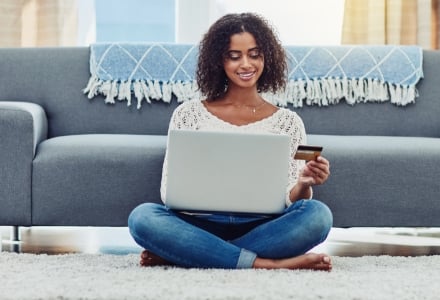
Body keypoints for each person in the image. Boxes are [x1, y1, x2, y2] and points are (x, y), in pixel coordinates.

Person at [128, 12, 333, 271]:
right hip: (198, 223)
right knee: (142, 217)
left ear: (266, 57)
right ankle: (264, 263)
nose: (246, 64)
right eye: (234, 56)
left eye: (254, 54)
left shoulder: (289, 122)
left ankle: (193, 253)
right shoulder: (187, 114)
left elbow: (292, 199)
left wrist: (304, 182)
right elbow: (168, 192)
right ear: (219, 61)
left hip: (262, 225)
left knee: (318, 215)